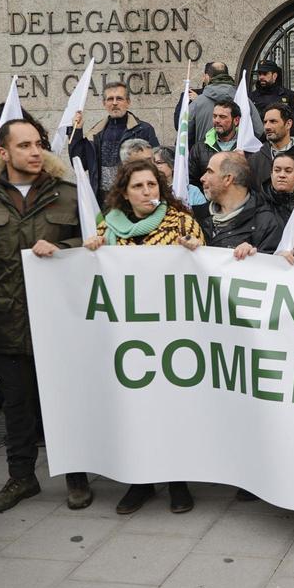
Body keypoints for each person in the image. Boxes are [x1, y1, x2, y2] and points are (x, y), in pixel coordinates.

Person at [0, 119, 93, 514]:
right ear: (3, 153)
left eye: (39, 144)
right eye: (24, 146)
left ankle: (77, 477)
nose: (35, 152)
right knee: (17, 405)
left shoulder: (69, 196)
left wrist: (63, 245)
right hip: (5, 320)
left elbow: (96, 247)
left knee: (66, 401)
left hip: (61, 322)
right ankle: (21, 477)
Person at [83, 160, 203, 515]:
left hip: (170, 334)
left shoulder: (180, 221)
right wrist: (90, 249)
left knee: (171, 408)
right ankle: (141, 481)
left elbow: (203, 261)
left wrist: (193, 248)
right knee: (135, 409)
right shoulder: (108, 227)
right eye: (138, 186)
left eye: (152, 184)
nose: (147, 191)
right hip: (127, 335)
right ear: (124, 192)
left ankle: (178, 480)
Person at [69, 83, 160, 199]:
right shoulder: (95, 133)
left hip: (132, 199)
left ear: (128, 102)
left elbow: (155, 166)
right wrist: (76, 131)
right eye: (110, 99)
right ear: (104, 104)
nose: (115, 103)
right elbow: (80, 164)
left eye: (119, 99)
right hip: (102, 202)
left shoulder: (144, 130)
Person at [199, 152, 282, 254]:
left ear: (228, 179)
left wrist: (253, 255)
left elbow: (271, 266)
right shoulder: (197, 216)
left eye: (210, 171)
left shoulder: (266, 223)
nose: (202, 178)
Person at [186, 63, 262, 152]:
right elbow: (259, 131)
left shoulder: (197, 103)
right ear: (227, 75)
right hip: (238, 158)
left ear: (207, 77)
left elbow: (184, 135)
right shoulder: (244, 101)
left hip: (205, 159)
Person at [248, 103, 294, 192]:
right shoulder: (255, 160)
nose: (267, 127)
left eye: (273, 121)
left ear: (288, 124)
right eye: (265, 122)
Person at [190, 100, 242, 185]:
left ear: (236, 120)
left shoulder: (246, 146)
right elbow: (191, 181)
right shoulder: (199, 148)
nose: (217, 120)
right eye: (214, 116)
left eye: (222, 117)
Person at [249, 58, 294, 133]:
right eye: (260, 74)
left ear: (274, 76)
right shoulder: (252, 97)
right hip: (259, 141)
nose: (261, 77)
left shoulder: (288, 95)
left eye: (265, 74)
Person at [151, 145, 208, 216]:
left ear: (173, 165)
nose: (154, 167)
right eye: (151, 164)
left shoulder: (192, 191)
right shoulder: (150, 191)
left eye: (158, 163)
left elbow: (203, 219)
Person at [261, 152, 294, 223]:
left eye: (288, 171)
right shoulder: (259, 202)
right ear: (271, 174)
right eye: (277, 170)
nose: (282, 175)